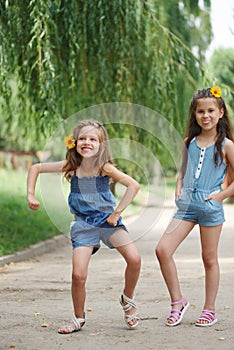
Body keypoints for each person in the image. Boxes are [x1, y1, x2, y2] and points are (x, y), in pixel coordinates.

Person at [27, 119, 141, 333]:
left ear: (101, 144)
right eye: (82, 138)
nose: (87, 142)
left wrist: (117, 213)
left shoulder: (104, 168)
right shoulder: (71, 167)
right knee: (78, 275)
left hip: (107, 221)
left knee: (134, 259)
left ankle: (128, 300)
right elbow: (36, 167)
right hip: (83, 225)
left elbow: (133, 185)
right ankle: (78, 318)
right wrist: (31, 195)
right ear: (74, 142)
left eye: (92, 139)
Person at [156, 87, 234, 327]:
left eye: (211, 110)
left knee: (209, 259)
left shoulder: (227, 145)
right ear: (195, 114)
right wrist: (178, 184)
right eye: (201, 111)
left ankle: (209, 309)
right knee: (162, 250)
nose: (205, 115)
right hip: (187, 206)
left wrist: (221, 196)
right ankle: (177, 302)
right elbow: (183, 170)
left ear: (221, 113)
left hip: (210, 207)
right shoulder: (188, 142)